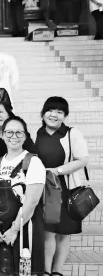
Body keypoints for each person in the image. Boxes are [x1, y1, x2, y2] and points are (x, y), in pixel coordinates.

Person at [35, 97, 89, 276]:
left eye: (60, 112)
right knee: (48, 233)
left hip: (67, 189)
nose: (54, 115)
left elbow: (83, 159)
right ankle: (46, 271)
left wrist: (57, 171)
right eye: (51, 110)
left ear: (65, 116)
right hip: (47, 190)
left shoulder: (72, 133)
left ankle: (57, 272)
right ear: (43, 113)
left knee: (64, 233)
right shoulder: (39, 134)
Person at [0, 116, 46, 276]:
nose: (14, 136)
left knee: (25, 272)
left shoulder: (33, 162)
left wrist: (14, 229)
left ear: (25, 136)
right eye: (9, 132)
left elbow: (32, 201)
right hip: (0, 231)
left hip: (25, 228)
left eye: (19, 133)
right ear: (2, 135)